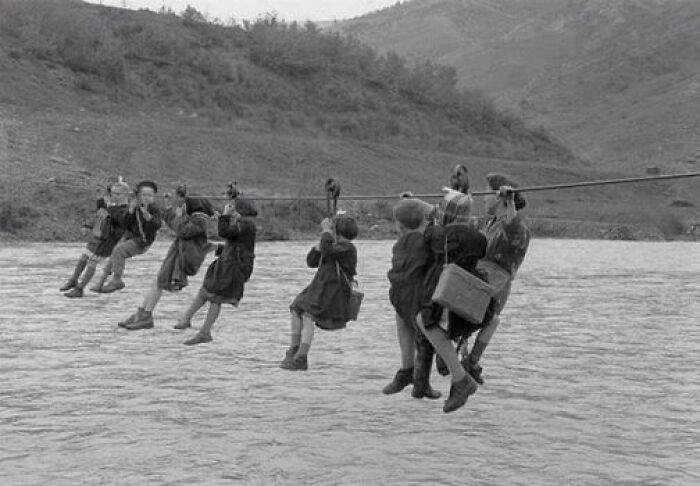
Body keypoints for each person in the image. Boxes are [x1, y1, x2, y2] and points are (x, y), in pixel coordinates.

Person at [416, 189, 493, 413]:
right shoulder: (478, 238)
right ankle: (462, 370)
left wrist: (424, 207)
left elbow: (429, 235)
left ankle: (460, 379)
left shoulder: (436, 234)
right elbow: (479, 248)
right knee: (485, 320)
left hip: (446, 293)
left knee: (424, 321)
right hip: (472, 296)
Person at [460, 173, 530, 384]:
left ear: (498, 196)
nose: (483, 198)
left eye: (487, 192)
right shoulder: (491, 223)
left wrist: (509, 200)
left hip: (494, 285)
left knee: (485, 318)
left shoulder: (515, 226)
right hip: (479, 281)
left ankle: (469, 361)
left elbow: (512, 224)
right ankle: (466, 361)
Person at [118, 185, 216, 330]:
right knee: (157, 283)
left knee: (159, 284)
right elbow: (179, 227)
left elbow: (182, 230)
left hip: (180, 258)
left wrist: (172, 212)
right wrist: (171, 208)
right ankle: (141, 313)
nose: (183, 206)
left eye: (185, 205)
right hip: (176, 254)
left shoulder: (200, 221)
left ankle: (146, 316)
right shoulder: (193, 219)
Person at [280, 214, 359, 371]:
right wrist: (320, 244)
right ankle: (294, 348)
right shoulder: (330, 245)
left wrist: (325, 233)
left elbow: (328, 250)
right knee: (296, 308)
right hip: (319, 287)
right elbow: (311, 261)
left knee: (308, 316)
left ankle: (302, 356)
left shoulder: (348, 248)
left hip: (332, 291)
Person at [177, 197, 258, 345]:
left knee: (216, 297)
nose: (231, 209)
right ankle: (186, 318)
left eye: (233, 207)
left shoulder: (246, 224)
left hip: (235, 267)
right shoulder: (243, 224)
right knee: (206, 289)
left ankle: (204, 332)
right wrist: (219, 247)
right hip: (227, 263)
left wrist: (224, 216)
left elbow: (224, 232)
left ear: (240, 210)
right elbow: (236, 242)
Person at [382, 198, 441, 399]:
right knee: (426, 339)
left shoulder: (401, 243)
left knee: (405, 327)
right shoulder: (425, 239)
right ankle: (420, 381)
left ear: (400, 226)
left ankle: (408, 372)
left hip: (399, 296)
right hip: (418, 295)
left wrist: (408, 204)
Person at [60, 179, 131, 298]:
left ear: (125, 195)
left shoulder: (125, 210)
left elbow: (116, 218)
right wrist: (100, 199)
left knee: (92, 261)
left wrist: (108, 206)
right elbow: (101, 213)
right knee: (84, 257)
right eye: (112, 193)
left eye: (116, 194)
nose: (113, 196)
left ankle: (80, 289)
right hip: (99, 236)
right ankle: (73, 279)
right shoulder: (113, 206)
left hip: (108, 240)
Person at [94, 180, 162, 293]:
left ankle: (116, 280)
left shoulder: (154, 208)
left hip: (143, 241)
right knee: (114, 256)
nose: (147, 198)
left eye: (150, 195)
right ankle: (101, 282)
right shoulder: (134, 206)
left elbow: (156, 225)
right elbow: (125, 223)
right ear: (138, 196)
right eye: (144, 195)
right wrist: (131, 210)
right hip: (132, 236)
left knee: (119, 251)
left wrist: (146, 214)